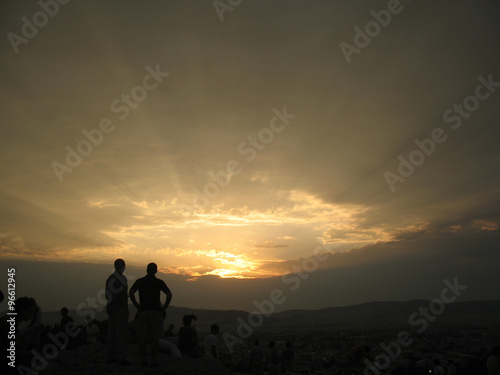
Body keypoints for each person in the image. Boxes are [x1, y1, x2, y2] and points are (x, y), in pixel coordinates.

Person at [129, 262, 173, 368]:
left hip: (143, 311)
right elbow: (169, 294)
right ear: (156, 271)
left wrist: (136, 305)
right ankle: (154, 361)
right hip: (155, 312)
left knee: (142, 337)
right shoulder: (159, 282)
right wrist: (165, 307)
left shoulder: (140, 281)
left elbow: (131, 292)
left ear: (146, 270)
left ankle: (143, 360)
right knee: (155, 338)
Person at [105, 258, 130, 365]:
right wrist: (125, 308)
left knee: (111, 333)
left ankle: (110, 356)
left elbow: (107, 295)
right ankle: (121, 357)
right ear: (122, 266)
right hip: (120, 309)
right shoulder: (122, 279)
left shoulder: (109, 278)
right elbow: (123, 295)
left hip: (111, 308)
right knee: (120, 334)